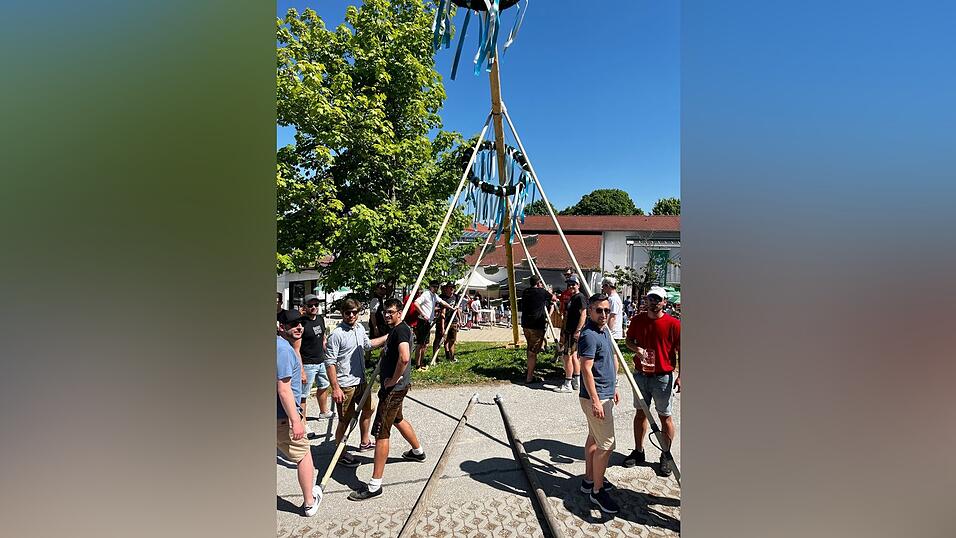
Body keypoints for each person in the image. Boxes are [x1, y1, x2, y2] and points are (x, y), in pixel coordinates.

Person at [348, 298, 427, 501]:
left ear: (400, 313)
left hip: (393, 390)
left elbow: (405, 357)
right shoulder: (396, 330)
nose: (387, 315)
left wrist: (392, 379)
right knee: (398, 419)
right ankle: (418, 452)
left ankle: (375, 485)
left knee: (381, 432)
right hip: (397, 389)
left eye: (391, 312)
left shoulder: (400, 331)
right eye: (385, 312)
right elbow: (385, 345)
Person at [623, 286, 681, 476]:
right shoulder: (637, 320)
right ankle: (638, 451)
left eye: (658, 299)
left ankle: (666, 455)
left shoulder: (674, 324)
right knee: (640, 413)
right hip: (641, 375)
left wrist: (681, 376)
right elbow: (628, 341)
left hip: (662, 377)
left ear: (664, 302)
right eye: (651, 298)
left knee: (665, 416)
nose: (654, 302)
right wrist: (637, 349)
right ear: (646, 300)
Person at [577, 293, 620, 515]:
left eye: (606, 310)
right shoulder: (589, 335)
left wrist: (614, 387)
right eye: (599, 310)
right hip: (597, 398)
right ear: (590, 311)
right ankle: (597, 490)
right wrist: (596, 400)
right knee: (607, 445)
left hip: (605, 393)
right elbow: (586, 369)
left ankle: (589, 480)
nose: (603, 314)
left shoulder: (603, 331)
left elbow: (607, 363)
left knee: (594, 438)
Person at [276, 309, 319, 517]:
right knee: (303, 455)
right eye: (293, 324)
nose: (299, 327)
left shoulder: (282, 346)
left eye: (300, 323)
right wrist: (296, 420)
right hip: (283, 416)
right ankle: (310, 502)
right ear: (281, 327)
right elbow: (283, 389)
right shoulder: (283, 350)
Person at [325, 298, 376, 465]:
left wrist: (389, 337)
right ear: (342, 313)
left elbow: (368, 345)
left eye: (355, 312)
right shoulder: (337, 335)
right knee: (345, 420)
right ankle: (341, 454)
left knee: (369, 409)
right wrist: (335, 388)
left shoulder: (359, 328)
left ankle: (365, 442)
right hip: (345, 385)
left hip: (361, 381)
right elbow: (330, 362)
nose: (352, 315)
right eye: (348, 312)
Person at [300, 294, 333, 424]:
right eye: (310, 305)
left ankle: (324, 412)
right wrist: (301, 368)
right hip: (307, 363)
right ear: (304, 307)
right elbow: (296, 346)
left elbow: (323, 336)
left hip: (321, 360)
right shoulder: (301, 322)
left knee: (323, 386)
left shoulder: (320, 319)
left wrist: (326, 349)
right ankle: (302, 423)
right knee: (303, 394)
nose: (314, 307)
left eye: (316, 305)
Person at [520, 275, 556, 384]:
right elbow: (554, 298)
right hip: (536, 325)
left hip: (526, 324)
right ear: (538, 283)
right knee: (532, 352)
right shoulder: (542, 292)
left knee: (529, 348)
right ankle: (529, 377)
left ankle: (529, 372)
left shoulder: (525, 292)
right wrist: (548, 292)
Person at [412, 281, 455, 368]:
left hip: (428, 322)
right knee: (421, 344)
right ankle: (417, 365)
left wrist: (452, 308)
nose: (436, 288)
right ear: (430, 286)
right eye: (434, 286)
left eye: (437, 287)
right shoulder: (426, 294)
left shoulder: (434, 296)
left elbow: (442, 302)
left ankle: (421, 363)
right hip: (422, 322)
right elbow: (416, 303)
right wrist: (423, 314)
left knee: (425, 344)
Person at [556, 275, 588, 393]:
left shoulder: (580, 297)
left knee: (567, 356)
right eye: (569, 284)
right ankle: (576, 381)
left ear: (578, 285)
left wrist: (578, 330)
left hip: (574, 331)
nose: (570, 286)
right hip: (569, 331)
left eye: (573, 284)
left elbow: (583, 314)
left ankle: (568, 382)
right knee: (574, 355)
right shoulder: (572, 297)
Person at [434, 282, 461, 363]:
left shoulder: (456, 297)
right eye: (450, 287)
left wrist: (459, 319)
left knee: (452, 340)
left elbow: (457, 309)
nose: (452, 289)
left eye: (453, 287)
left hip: (453, 321)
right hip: (443, 322)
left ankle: (451, 357)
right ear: (446, 288)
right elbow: (442, 313)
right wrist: (442, 328)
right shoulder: (442, 298)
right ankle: (435, 358)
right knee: (438, 340)